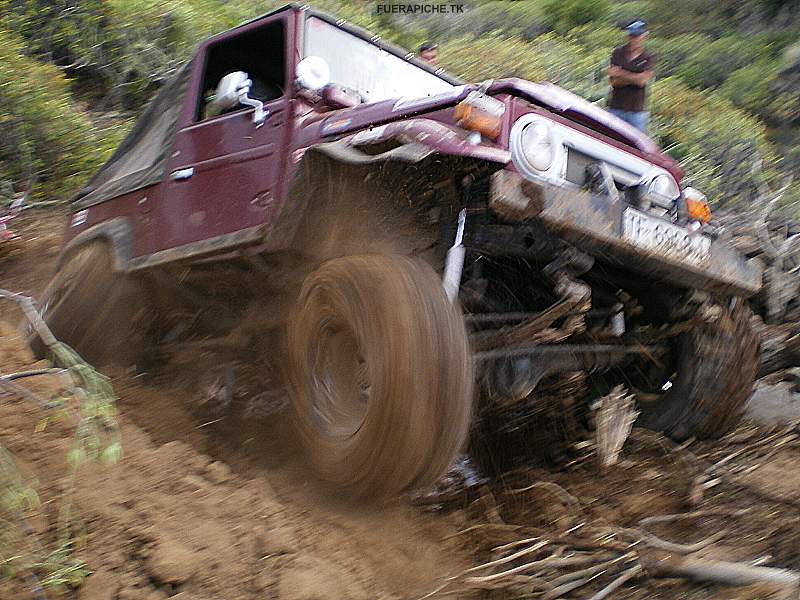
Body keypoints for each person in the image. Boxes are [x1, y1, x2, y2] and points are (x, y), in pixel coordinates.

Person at [607, 20, 654, 133]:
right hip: (615, 108)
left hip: (637, 112)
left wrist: (621, 73)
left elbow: (642, 82)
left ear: (644, 36)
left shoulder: (648, 57)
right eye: (632, 36)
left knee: (634, 146)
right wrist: (635, 77)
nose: (634, 39)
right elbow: (614, 81)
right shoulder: (618, 53)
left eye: (637, 36)